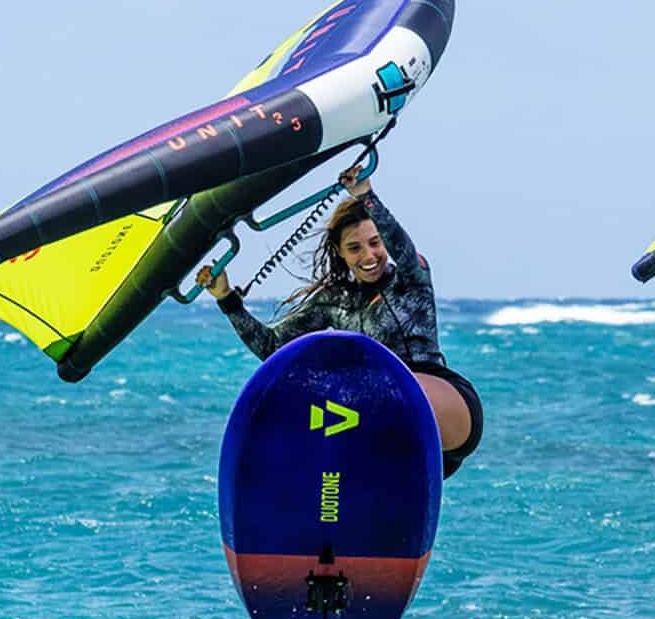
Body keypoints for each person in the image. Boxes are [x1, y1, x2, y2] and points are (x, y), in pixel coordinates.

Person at [196, 165, 484, 479]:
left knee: (366, 386)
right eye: (355, 248)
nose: (369, 255)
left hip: (444, 408)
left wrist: (366, 196)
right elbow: (272, 348)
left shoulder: (411, 279)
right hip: (387, 434)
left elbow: (404, 248)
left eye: (375, 243)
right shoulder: (334, 300)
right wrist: (227, 299)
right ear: (341, 253)